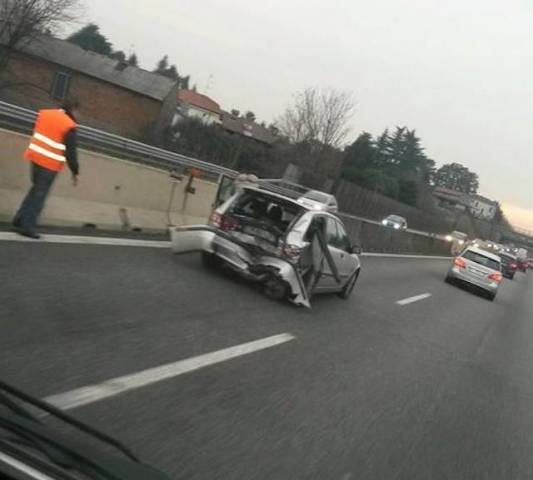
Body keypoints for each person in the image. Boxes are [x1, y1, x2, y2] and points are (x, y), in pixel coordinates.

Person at [12, 100, 80, 239]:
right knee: (40, 194)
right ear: (72, 109)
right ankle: (27, 226)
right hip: (49, 164)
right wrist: (75, 171)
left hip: (35, 157)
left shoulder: (45, 114)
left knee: (35, 189)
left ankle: (19, 220)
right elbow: (70, 152)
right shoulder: (68, 125)